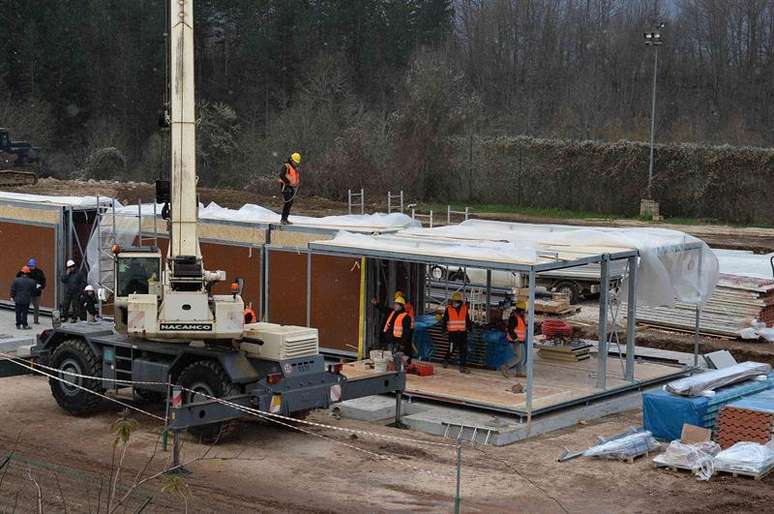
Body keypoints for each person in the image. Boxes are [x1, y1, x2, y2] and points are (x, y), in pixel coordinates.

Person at [441, 291, 472, 374]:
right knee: (451, 349)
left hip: (462, 333)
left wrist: (470, 328)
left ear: (459, 302)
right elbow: (445, 320)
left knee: (463, 350)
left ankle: (462, 366)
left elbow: (467, 319)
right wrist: (443, 330)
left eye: (456, 302)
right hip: (453, 333)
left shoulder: (464, 308)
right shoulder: (448, 309)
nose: (455, 303)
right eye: (454, 301)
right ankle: (446, 359)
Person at [381, 296, 412, 362]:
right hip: (390, 340)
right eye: (394, 304)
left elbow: (406, 333)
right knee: (389, 358)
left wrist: (402, 344)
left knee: (396, 359)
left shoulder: (406, 317)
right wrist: (376, 304)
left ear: (401, 306)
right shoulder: (393, 313)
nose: (395, 306)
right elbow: (384, 309)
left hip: (398, 342)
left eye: (397, 304)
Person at [16, 258, 46, 325]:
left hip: (36, 293)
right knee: (24, 307)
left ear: (35, 265)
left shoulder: (39, 272)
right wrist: (22, 270)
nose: (31, 267)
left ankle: (36, 320)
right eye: (30, 266)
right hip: (28, 293)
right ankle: (22, 320)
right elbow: (18, 276)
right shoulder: (26, 271)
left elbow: (43, 281)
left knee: (36, 307)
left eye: (32, 266)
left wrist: (41, 287)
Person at [500, 306, 527, 378]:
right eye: (523, 312)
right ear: (520, 311)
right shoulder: (514, 318)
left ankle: (519, 372)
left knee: (522, 357)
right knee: (517, 357)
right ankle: (505, 366)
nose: (524, 313)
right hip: (515, 341)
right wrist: (515, 339)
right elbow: (510, 329)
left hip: (520, 341)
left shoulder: (520, 318)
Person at [278, 152, 301, 225]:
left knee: (290, 203)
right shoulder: (286, 166)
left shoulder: (294, 168)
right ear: (291, 160)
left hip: (291, 187)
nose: (296, 164)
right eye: (295, 162)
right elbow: (281, 175)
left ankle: (285, 219)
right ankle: (283, 219)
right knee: (287, 202)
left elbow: (295, 177)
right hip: (285, 187)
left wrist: (296, 184)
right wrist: (287, 182)